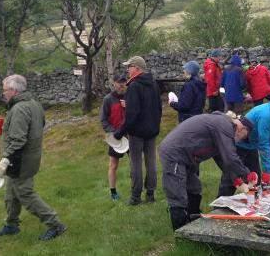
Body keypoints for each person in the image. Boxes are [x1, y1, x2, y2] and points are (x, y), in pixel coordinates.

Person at [0, 74, 67, 241]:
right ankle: (11, 225)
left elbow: (18, 140)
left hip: (20, 160)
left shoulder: (19, 109)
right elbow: (41, 125)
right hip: (30, 156)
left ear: (13, 90)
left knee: (25, 194)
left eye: (5, 90)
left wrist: (5, 159)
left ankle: (55, 224)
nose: (3, 94)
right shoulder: (34, 104)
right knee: (11, 193)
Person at [159, 111, 258, 230]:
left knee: (194, 188)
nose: (240, 141)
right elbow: (231, 158)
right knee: (177, 194)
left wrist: (238, 180)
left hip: (189, 157)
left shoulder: (221, 128)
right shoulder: (225, 126)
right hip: (175, 153)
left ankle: (193, 220)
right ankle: (180, 231)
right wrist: (247, 175)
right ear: (242, 129)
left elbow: (224, 162)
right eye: (244, 137)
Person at [114, 56, 162, 205]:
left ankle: (135, 197)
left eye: (130, 66)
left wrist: (120, 132)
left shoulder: (134, 86)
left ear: (137, 68)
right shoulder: (153, 84)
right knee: (151, 162)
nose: (127, 69)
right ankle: (150, 194)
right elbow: (159, 108)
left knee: (136, 164)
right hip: (152, 130)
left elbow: (131, 114)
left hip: (137, 132)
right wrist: (155, 125)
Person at [100, 74, 127, 201]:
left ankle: (136, 190)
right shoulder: (108, 99)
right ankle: (113, 192)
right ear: (114, 83)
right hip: (115, 137)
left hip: (130, 135)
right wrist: (113, 133)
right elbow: (103, 120)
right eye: (119, 82)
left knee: (136, 163)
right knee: (113, 165)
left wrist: (128, 107)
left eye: (123, 82)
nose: (121, 85)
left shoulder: (130, 97)